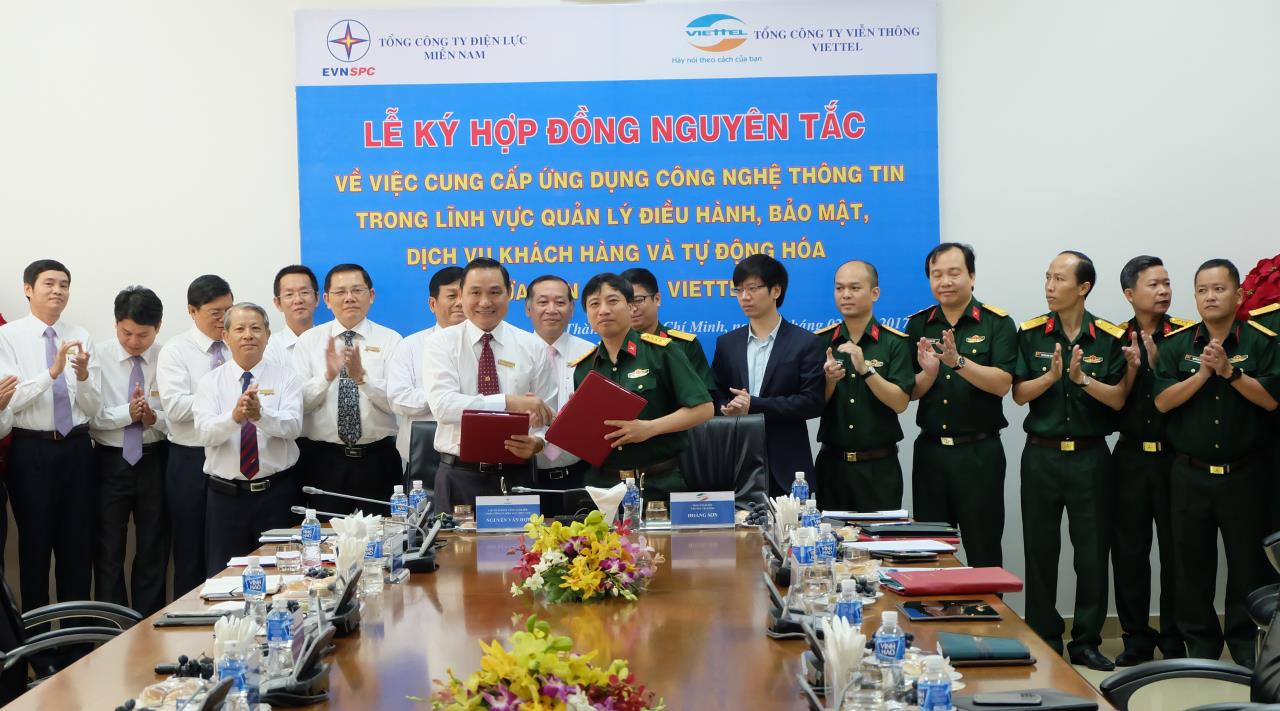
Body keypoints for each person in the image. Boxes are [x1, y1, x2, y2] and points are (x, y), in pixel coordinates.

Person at [1012, 250, 1134, 671]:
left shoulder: (1110, 337)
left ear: (1084, 287)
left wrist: (1081, 379)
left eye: (1059, 279)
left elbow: (1117, 400)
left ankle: (1085, 641)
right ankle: (1045, 637)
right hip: (1041, 456)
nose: (1050, 286)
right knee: (1040, 550)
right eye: (1047, 278)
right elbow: (1019, 394)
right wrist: (1051, 377)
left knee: (1092, 553)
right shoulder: (1031, 333)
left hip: (1090, 458)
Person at [1155, 258, 1279, 669]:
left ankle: (1244, 645)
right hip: (1189, 474)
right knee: (1191, 564)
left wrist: (1230, 373)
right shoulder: (1177, 344)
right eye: (1202, 290)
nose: (1210, 297)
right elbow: (1162, 402)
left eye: (1219, 289)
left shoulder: (1262, 342)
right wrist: (1202, 376)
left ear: (1239, 295)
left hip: (1244, 475)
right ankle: (1200, 647)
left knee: (1247, 566)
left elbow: (1271, 400)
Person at [0, 259, 101, 615]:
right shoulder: (8, 336)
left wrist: (83, 377)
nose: (58, 290)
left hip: (77, 448)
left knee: (77, 550)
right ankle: (38, 644)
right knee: (35, 550)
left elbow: (93, 407)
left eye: (64, 285)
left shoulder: (81, 335)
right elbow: (10, 399)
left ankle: (78, 641)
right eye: (49, 283)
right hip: (32, 451)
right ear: (28, 289)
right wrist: (52, 372)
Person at [907, 243, 1016, 569]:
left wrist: (958, 362)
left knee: (984, 550)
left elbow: (1002, 384)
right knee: (931, 553)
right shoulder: (918, 325)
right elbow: (909, 392)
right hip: (930, 454)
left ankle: (988, 606)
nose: (945, 281)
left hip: (979, 454)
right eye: (936, 274)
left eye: (954, 273)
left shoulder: (997, 323)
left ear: (972, 276)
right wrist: (928, 374)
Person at [1110, 255, 1194, 665]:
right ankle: (1136, 638)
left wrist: (1160, 363)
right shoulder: (1112, 338)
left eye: (1167, 283)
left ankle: (1175, 638)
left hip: (1174, 458)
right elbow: (1108, 401)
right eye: (1153, 285)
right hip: (1129, 457)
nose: (1163, 291)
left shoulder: (1187, 337)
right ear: (1130, 293)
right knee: (1129, 551)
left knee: (1177, 551)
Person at [422, 258, 557, 513]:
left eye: (494, 292)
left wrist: (538, 442)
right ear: (461, 294)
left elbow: (548, 414)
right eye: (475, 292)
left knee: (522, 541)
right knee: (454, 541)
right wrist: (509, 401)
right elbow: (444, 406)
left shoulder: (532, 347)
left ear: (510, 293)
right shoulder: (440, 343)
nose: (485, 302)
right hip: (458, 475)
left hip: (518, 475)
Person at [574, 273, 713, 502]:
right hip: (603, 489)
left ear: (630, 307)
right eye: (594, 304)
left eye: (612, 301)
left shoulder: (662, 352)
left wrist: (649, 428)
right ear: (587, 315)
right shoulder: (583, 368)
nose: (603, 310)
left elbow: (703, 409)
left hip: (658, 485)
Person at [194, 303, 303, 573]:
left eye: (255, 328)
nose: (248, 335)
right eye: (239, 329)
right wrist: (234, 417)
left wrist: (260, 415)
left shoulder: (286, 377)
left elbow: (293, 427)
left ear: (268, 335)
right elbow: (204, 433)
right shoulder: (210, 382)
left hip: (276, 494)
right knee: (225, 577)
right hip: (226, 498)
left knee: (282, 575)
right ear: (225, 336)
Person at [711, 254, 825, 496]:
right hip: (736, 461)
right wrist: (726, 409)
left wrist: (754, 406)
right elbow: (715, 394)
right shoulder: (727, 344)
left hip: (787, 465)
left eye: (753, 288)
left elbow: (812, 402)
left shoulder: (805, 343)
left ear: (776, 290)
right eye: (739, 290)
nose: (744, 297)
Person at [294, 264, 402, 514]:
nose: (349, 297)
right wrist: (327, 377)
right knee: (325, 531)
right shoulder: (309, 341)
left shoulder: (391, 340)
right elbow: (299, 405)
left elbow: (396, 403)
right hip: (324, 459)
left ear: (371, 295)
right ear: (326, 299)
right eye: (340, 292)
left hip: (378, 458)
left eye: (357, 290)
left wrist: (362, 379)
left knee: (384, 532)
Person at [89, 286, 170, 616]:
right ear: (116, 324)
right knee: (108, 549)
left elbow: (178, 418)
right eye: (126, 333)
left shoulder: (168, 357)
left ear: (158, 327)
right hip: (110, 461)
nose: (134, 342)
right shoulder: (97, 356)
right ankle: (112, 629)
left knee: (153, 547)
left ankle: (148, 627)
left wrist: (153, 418)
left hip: (156, 458)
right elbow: (91, 417)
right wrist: (128, 413)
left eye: (143, 335)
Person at [814, 260, 912, 511]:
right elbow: (813, 405)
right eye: (839, 288)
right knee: (829, 535)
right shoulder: (821, 342)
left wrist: (866, 370)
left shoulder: (894, 342)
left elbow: (900, 402)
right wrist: (829, 381)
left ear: (874, 293)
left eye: (855, 288)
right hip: (832, 466)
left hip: (879, 468)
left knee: (879, 536)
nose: (845, 294)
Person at [157, 274, 233, 596]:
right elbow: (174, 408)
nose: (224, 319)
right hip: (190, 460)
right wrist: (222, 400)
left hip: (231, 458)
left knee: (227, 551)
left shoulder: (238, 345)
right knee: (189, 551)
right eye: (216, 313)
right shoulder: (176, 350)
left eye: (228, 310)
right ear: (192, 311)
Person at [387, 266, 465, 464]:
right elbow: (398, 398)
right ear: (432, 304)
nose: (460, 303)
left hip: (473, 458)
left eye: (465, 295)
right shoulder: (410, 345)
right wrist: (444, 398)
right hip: (423, 457)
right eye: (452, 296)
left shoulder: (486, 345)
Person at [525, 275, 595, 491]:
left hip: (580, 473)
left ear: (572, 309)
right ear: (528, 309)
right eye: (543, 302)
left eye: (560, 302)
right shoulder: (514, 353)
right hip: (523, 474)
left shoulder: (592, 354)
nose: (552, 309)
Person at [620, 267, 716, 397]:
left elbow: (706, 398)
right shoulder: (615, 349)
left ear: (657, 299)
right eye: (626, 302)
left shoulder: (684, 345)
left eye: (638, 300)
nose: (633, 308)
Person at [264, 265, 319, 367]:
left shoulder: (332, 343)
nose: (298, 300)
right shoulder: (268, 347)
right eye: (289, 294)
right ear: (278, 303)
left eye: (304, 292)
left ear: (317, 298)